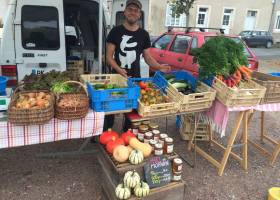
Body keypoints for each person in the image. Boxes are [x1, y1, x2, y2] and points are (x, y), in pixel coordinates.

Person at [105, 0, 171, 131]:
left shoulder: (144, 35)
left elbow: (147, 57)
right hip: (116, 79)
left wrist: (158, 66)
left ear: (139, 14)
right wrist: (119, 70)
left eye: (136, 10)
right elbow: (108, 57)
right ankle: (106, 134)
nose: (133, 12)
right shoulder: (115, 31)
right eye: (130, 9)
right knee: (111, 108)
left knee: (132, 111)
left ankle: (128, 134)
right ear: (125, 12)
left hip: (136, 79)